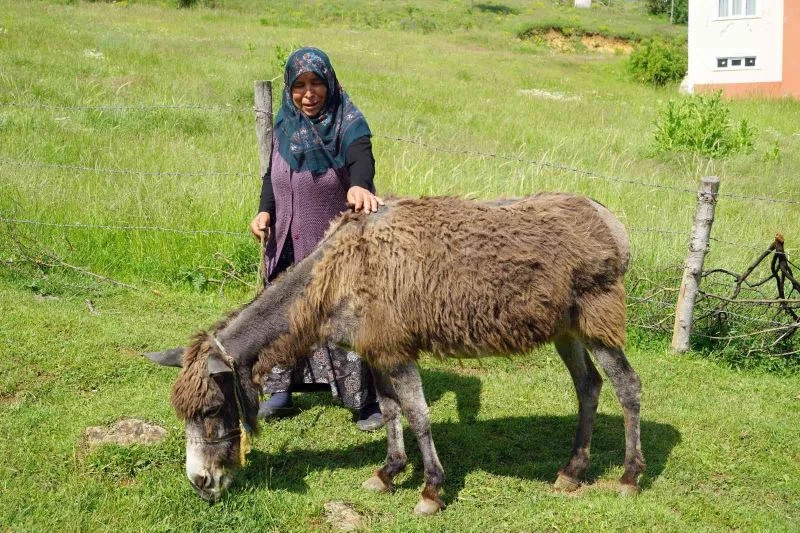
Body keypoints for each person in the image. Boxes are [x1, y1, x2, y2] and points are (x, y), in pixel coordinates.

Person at [249, 47, 385, 432]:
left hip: (331, 249)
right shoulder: (283, 127)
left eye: (316, 84)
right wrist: (264, 212)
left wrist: (359, 186)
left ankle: (365, 401)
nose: (308, 94)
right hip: (286, 242)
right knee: (283, 314)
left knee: (343, 318)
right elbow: (271, 178)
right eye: (299, 85)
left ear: (330, 84)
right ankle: (281, 390)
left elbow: (362, 159)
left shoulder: (348, 124)